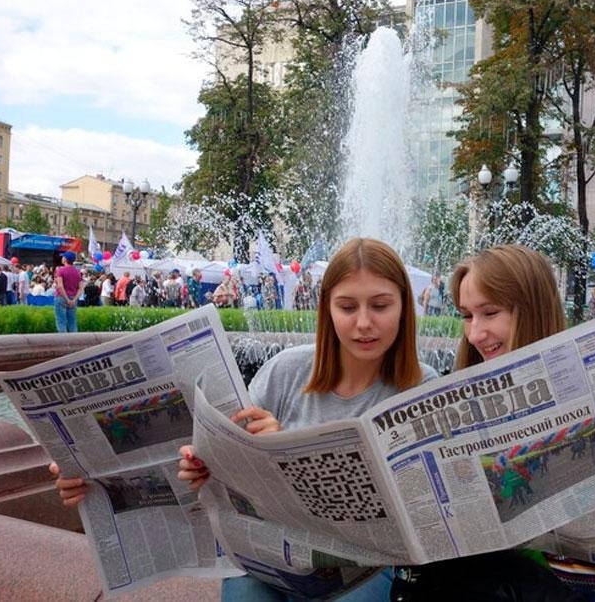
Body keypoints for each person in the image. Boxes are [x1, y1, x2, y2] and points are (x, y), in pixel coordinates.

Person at [53, 237, 440, 601]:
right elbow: (218, 464)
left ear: (405, 306)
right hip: (267, 561)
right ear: (327, 308)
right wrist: (94, 478)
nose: (363, 323)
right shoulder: (286, 371)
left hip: (361, 568)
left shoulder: (422, 386)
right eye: (347, 306)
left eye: (380, 305)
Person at [390, 245, 595, 600]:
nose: (475, 334)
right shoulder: (447, 406)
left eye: (489, 313)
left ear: (532, 309)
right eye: (467, 316)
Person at [54, 251, 82, 333]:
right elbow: (81, 289)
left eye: (63, 257)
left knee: (61, 322)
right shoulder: (77, 272)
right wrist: (74, 300)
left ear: (65, 259)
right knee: (72, 323)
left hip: (61, 298)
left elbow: (60, 286)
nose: (62, 258)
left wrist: (66, 299)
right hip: (73, 298)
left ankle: (63, 343)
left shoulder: (60, 271)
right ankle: (75, 342)